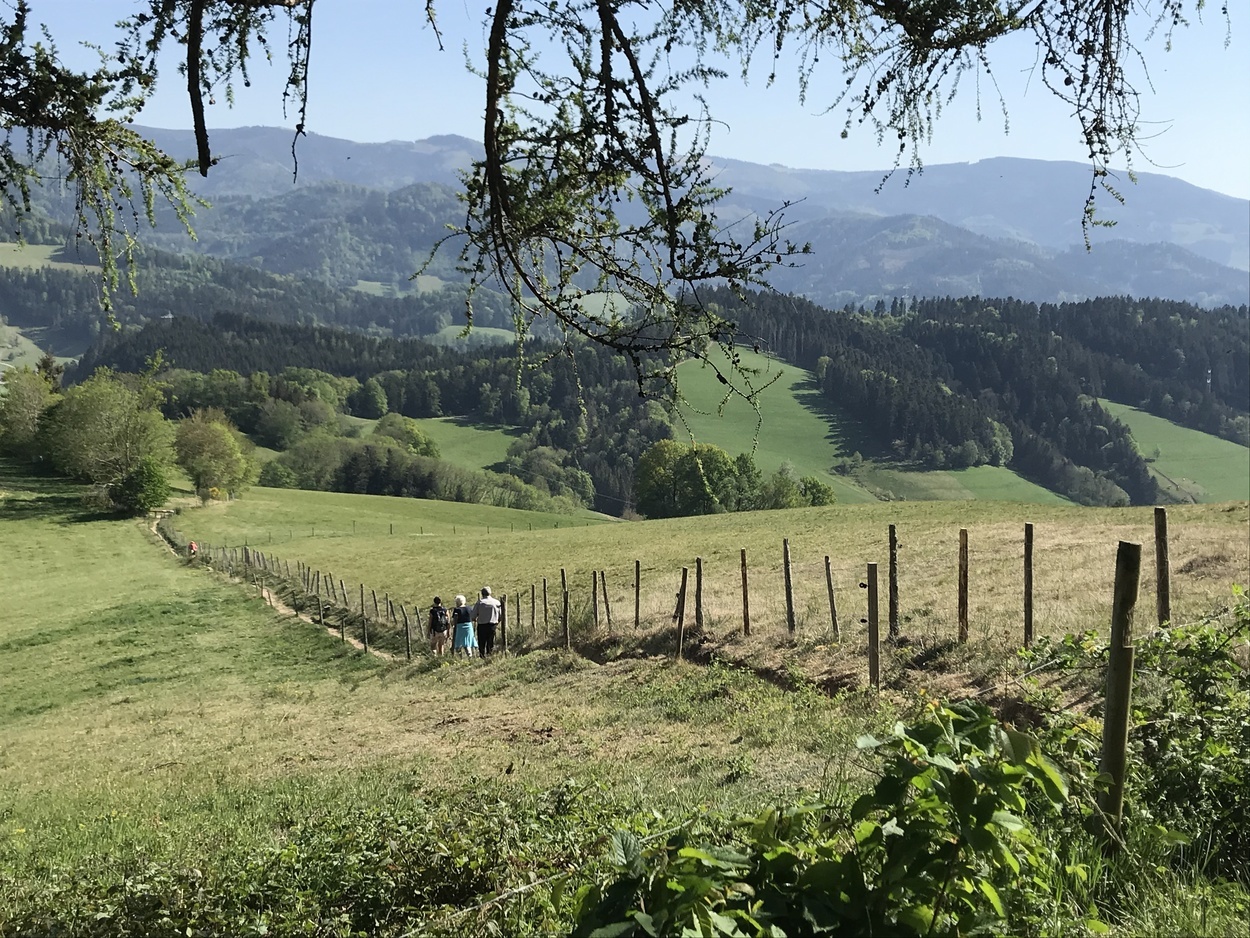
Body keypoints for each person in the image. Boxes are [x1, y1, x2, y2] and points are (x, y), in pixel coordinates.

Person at [472, 586, 502, 658]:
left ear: (482, 594)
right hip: (492, 625)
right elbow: (501, 615)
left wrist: (475, 619)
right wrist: (497, 621)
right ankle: (490, 655)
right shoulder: (496, 602)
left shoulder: (480, 603)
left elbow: (473, 616)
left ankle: (482, 656)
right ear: (490, 593)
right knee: (490, 642)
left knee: (482, 642)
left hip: (482, 625)